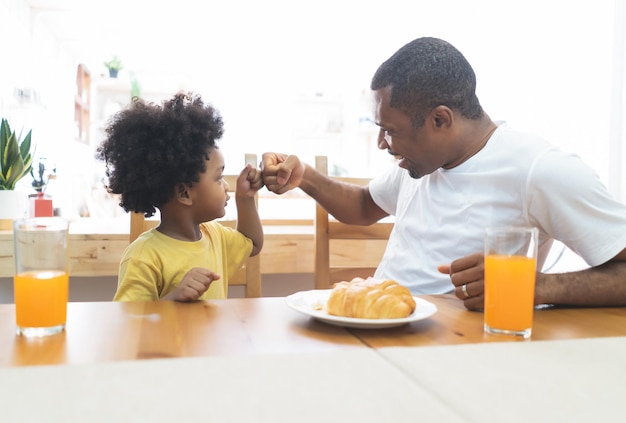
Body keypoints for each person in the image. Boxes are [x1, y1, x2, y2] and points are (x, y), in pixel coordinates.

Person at [261, 37, 626, 310]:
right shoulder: (419, 163)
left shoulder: (541, 170)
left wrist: (536, 287)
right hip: (380, 332)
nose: (382, 144)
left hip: (459, 352)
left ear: (440, 119)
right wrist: (304, 177)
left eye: (390, 130)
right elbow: (361, 205)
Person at [97, 92, 263, 302]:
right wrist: (173, 298)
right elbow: (131, 323)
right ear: (185, 193)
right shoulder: (143, 257)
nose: (227, 186)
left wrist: (245, 198)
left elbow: (253, 243)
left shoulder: (215, 237)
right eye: (219, 178)